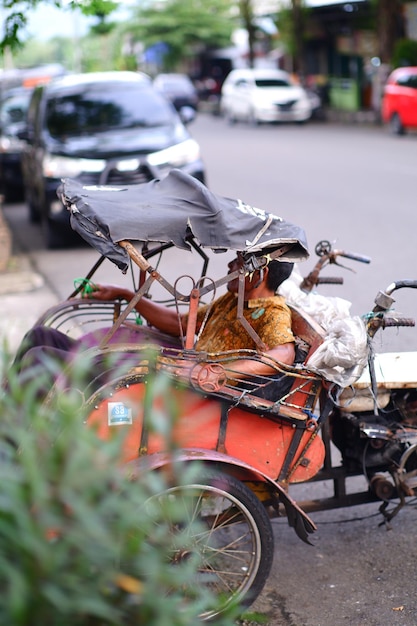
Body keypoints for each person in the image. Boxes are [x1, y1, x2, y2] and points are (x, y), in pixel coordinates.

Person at [12, 255, 296, 393]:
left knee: (39, 359)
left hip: (174, 385)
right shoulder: (232, 300)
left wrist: (216, 372)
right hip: (164, 363)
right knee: (40, 336)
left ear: (260, 273)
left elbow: (284, 354)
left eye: (239, 263)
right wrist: (126, 295)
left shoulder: (272, 311)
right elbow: (179, 322)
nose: (230, 267)